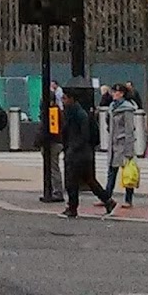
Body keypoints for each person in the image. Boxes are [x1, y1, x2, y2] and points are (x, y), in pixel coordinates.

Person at [60, 87, 115, 217]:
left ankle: (72, 208)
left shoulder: (79, 114)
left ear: (72, 99)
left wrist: (72, 148)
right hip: (82, 153)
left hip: (78, 154)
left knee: (72, 181)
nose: (62, 100)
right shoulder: (73, 112)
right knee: (89, 180)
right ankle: (108, 200)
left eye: (65, 98)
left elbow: (84, 135)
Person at [104, 82, 140, 206]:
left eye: (117, 92)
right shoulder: (111, 107)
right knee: (111, 171)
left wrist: (129, 150)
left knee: (127, 171)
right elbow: (109, 124)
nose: (115, 94)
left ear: (123, 94)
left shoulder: (127, 109)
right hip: (113, 143)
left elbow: (129, 130)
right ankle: (106, 197)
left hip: (123, 143)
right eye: (113, 92)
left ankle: (128, 199)